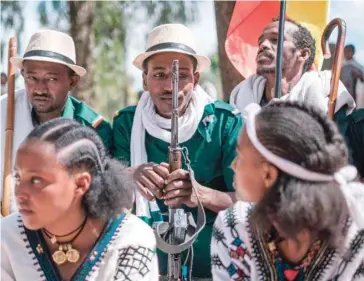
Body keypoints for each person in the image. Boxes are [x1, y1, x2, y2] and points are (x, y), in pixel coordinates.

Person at [112, 23, 242, 279]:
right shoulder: (127, 124)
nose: (170, 87)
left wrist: (201, 195)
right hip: (145, 266)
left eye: (181, 75)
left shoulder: (225, 123)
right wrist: (131, 174)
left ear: (195, 79)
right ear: (144, 80)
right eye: (159, 75)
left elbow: (249, 205)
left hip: (215, 267)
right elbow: (108, 202)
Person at [211, 101, 364, 281]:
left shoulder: (356, 238)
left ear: (268, 174)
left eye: (241, 157)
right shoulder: (233, 227)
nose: (233, 165)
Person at [1, 118, 158, 281]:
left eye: (36, 180)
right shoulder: (6, 237)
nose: (19, 192)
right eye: (18, 177)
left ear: (81, 183)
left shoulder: (131, 239)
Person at [1, 30, 112, 213]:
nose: (39, 89)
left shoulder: (94, 130)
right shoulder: (3, 111)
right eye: (32, 78)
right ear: (22, 75)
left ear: (72, 81)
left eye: (51, 79)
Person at [229, 18, 355, 118]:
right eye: (261, 41)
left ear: (303, 54)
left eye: (275, 40)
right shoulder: (236, 102)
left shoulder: (330, 102)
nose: (263, 45)